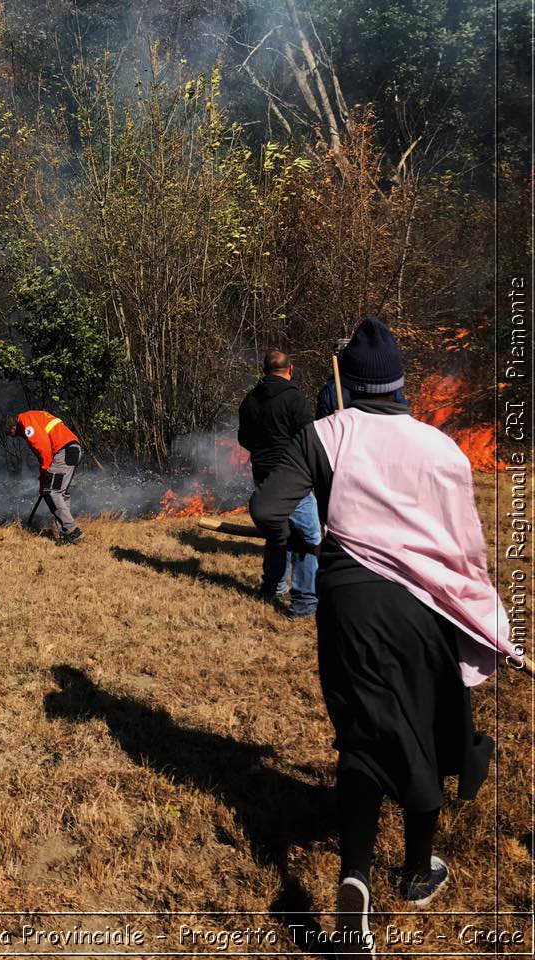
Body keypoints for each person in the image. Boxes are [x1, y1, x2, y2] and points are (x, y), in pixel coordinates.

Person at [250, 318, 511, 953]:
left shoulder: (326, 434)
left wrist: (318, 525)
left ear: (352, 383)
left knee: (363, 738)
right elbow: (464, 544)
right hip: (424, 609)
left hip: (349, 607)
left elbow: (265, 510)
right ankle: (418, 873)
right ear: (399, 384)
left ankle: (355, 877)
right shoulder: (441, 448)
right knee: (423, 730)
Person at [237, 350, 320, 618]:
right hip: (292, 479)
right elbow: (309, 439)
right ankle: (304, 603)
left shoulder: (249, 401)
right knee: (308, 539)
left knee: (277, 535)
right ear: (290, 369)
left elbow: (244, 439)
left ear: (264, 370)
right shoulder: (295, 400)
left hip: (263, 475)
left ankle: (272, 588)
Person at [7, 411, 83, 544]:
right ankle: (67, 534)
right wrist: (43, 480)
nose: (14, 437)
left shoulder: (27, 424)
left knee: (52, 492)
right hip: (72, 449)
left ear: (13, 427)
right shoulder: (31, 418)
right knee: (60, 493)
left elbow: (44, 450)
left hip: (63, 451)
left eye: (12, 434)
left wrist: (45, 475)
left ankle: (72, 531)